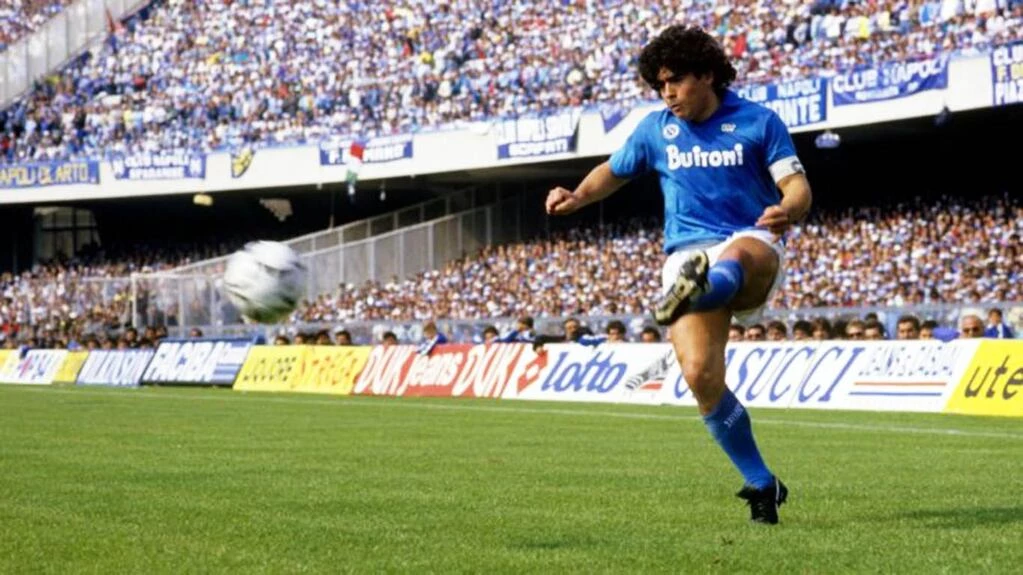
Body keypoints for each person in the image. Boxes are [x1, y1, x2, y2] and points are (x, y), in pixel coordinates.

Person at [545, 25, 812, 524]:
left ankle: (706, 285)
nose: (667, 93)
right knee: (699, 374)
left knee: (736, 257)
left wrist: (787, 209)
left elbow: (796, 186)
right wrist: (578, 196)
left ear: (707, 74)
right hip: (686, 251)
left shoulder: (759, 121)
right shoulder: (654, 129)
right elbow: (615, 169)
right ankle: (761, 483)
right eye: (658, 85)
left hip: (753, 239)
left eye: (675, 81)